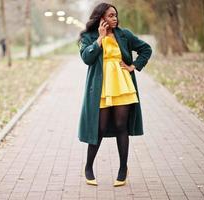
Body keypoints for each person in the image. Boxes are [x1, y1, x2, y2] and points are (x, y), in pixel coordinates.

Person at [78, 2, 152, 187]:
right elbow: (87, 58)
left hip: (122, 85)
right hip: (101, 88)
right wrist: (100, 39)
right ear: (101, 17)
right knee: (100, 128)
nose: (115, 18)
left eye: (115, 15)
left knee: (121, 126)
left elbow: (146, 49)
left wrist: (133, 66)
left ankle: (123, 168)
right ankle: (88, 167)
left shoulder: (123, 34)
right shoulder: (89, 36)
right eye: (110, 15)